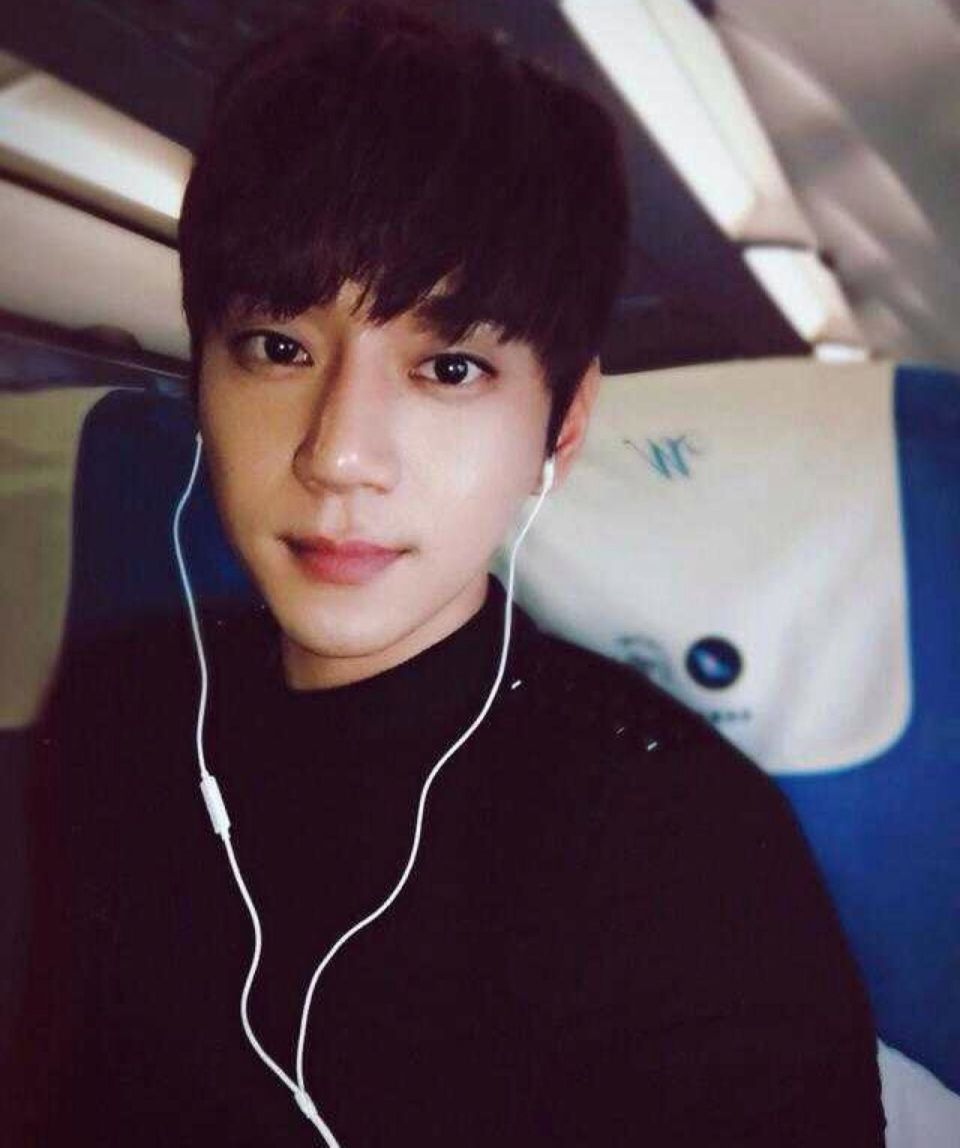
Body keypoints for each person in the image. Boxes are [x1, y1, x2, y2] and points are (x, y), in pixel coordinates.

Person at [9, 2, 886, 1144]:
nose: (339, 456)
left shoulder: (686, 851)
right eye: (278, 347)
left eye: (451, 368)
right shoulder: (114, 712)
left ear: (562, 428)